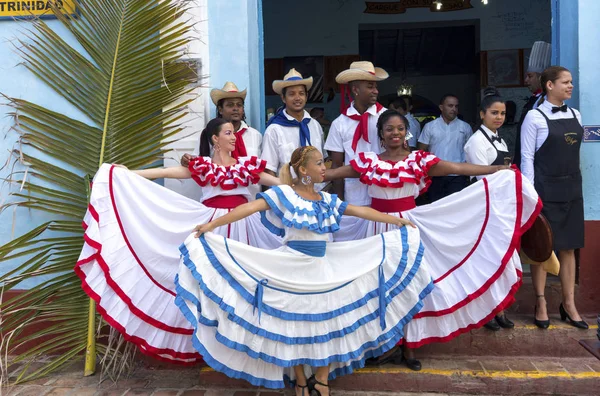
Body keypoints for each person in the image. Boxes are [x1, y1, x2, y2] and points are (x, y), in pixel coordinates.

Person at [176, 146, 434, 395]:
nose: (325, 167)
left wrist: (397, 220)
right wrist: (211, 226)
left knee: (328, 323)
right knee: (294, 326)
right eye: (320, 162)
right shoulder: (285, 194)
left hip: (323, 268)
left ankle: (321, 380)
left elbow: (361, 210)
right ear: (303, 169)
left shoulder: (326, 199)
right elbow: (248, 208)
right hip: (292, 267)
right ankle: (300, 380)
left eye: (324, 162)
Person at [325, 109, 541, 370]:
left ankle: (409, 347)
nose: (395, 133)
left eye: (400, 128)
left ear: (407, 133)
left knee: (410, 287)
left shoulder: (418, 160)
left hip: (408, 228)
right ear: (380, 135)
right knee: (376, 287)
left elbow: (458, 167)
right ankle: (379, 345)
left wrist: (495, 169)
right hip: (375, 228)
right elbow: (334, 173)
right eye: (389, 129)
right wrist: (311, 176)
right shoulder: (369, 161)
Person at [75, 118, 282, 365]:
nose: (234, 136)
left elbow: (279, 185)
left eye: (234, 132)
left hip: (245, 226)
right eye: (228, 132)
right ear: (215, 139)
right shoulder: (203, 166)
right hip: (212, 229)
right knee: (211, 286)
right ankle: (217, 347)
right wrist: (128, 173)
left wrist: (302, 185)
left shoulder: (246, 166)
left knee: (246, 283)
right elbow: (166, 172)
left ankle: (247, 346)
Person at [520, 66, 589, 330]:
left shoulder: (576, 115)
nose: (571, 86)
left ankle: (569, 304)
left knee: (569, 248)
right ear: (549, 85)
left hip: (572, 188)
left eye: (571, 82)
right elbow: (527, 158)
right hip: (545, 191)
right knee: (542, 248)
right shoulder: (534, 118)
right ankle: (541, 302)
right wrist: (530, 194)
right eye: (566, 82)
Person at [464, 88, 515, 331]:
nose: (499, 117)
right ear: (482, 114)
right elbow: (479, 176)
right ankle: (487, 311)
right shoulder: (476, 142)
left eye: (502, 113)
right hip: (485, 206)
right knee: (487, 260)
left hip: (501, 205)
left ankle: (500, 308)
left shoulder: (500, 139)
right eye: (494, 113)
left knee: (500, 259)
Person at [324, 61, 390, 241]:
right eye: (370, 86)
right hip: (354, 198)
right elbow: (337, 165)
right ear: (355, 90)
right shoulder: (340, 124)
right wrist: (339, 203)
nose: (376, 91)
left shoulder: (389, 118)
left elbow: (403, 153)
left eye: (376, 86)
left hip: (384, 193)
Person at [181, 82, 264, 198]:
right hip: (219, 200)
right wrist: (187, 160)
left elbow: (261, 170)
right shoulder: (210, 135)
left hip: (250, 202)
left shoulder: (256, 136)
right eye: (230, 105)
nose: (236, 108)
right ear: (220, 109)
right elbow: (196, 163)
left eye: (239, 105)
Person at [261, 69, 325, 177]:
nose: (297, 98)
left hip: (316, 190)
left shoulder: (315, 125)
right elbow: (269, 170)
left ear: (306, 96)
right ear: (283, 98)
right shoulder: (274, 130)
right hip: (289, 191)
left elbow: (323, 160)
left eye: (301, 93)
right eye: (291, 94)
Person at [418, 94, 472, 202]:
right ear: (441, 107)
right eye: (450, 106)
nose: (454, 109)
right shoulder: (430, 126)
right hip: (435, 175)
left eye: (456, 106)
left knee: (456, 207)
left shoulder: (465, 127)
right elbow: (421, 151)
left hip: (457, 176)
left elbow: (470, 151)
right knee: (436, 207)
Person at [515, 41, 551, 169]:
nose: (526, 81)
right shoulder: (532, 100)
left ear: (541, 78)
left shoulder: (546, 102)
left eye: (530, 76)